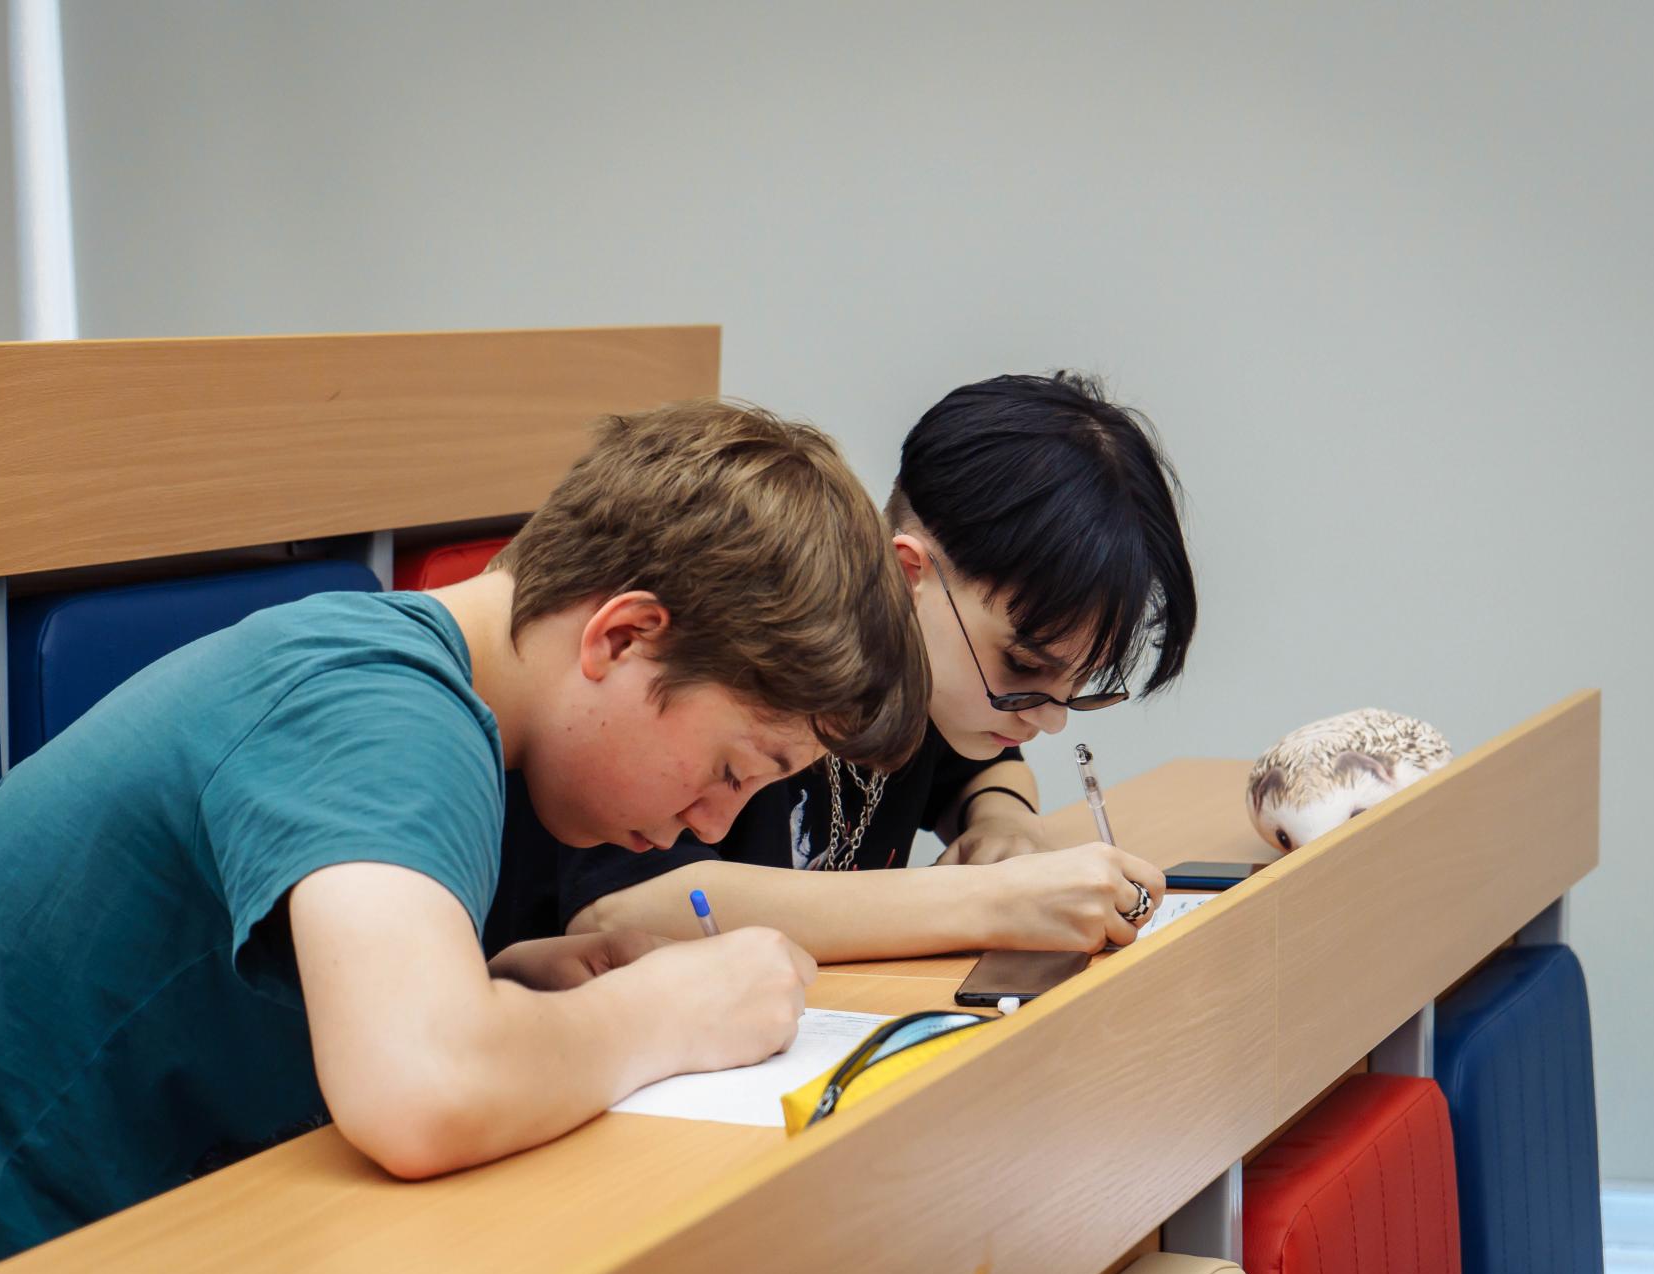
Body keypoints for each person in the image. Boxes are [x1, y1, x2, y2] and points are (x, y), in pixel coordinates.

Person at [0, 401, 928, 1274]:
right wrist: (669, 1009)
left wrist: (494, 990)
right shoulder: (384, 713)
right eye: (734, 767)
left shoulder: (394, 678)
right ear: (623, 636)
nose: (713, 821)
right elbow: (425, 1089)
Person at [478, 372, 1197, 964]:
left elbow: (982, 769)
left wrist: (1004, 822)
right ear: (910, 576)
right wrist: (995, 900)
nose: (1046, 719)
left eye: (1078, 688)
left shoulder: (946, 699)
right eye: (1022, 667)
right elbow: (624, 906)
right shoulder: (763, 660)